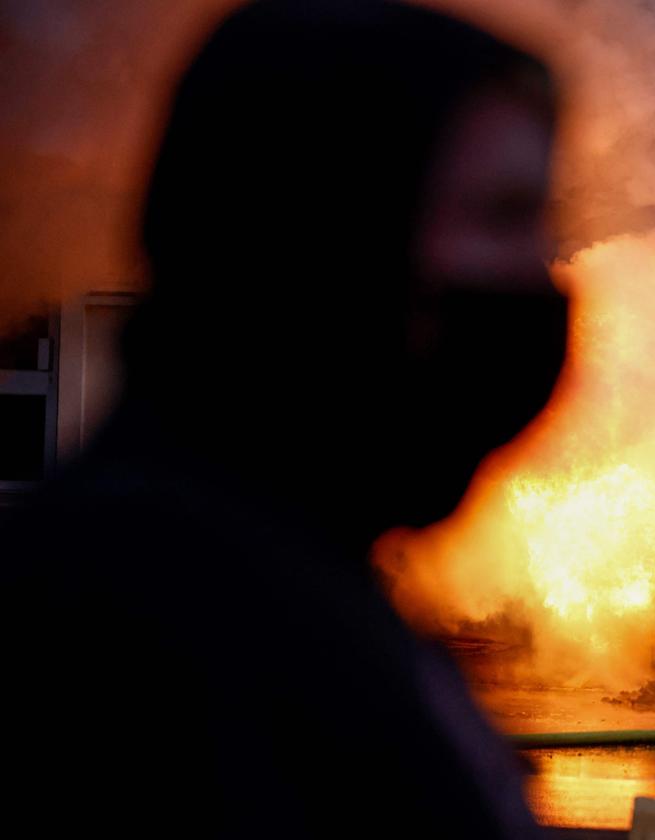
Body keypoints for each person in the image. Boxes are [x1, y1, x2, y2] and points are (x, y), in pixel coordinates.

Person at [2, 1, 566, 835]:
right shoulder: (137, 625)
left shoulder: (298, 572)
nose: (541, 273)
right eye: (502, 219)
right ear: (332, 230)